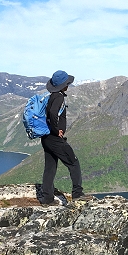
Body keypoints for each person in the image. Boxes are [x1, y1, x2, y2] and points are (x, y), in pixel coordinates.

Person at [39, 70, 90, 204]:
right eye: (67, 83)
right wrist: (57, 130)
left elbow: (50, 113)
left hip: (46, 138)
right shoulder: (59, 97)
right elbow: (52, 113)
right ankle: (77, 194)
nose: (68, 85)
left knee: (50, 168)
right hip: (55, 139)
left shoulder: (51, 96)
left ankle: (47, 199)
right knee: (74, 163)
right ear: (63, 85)